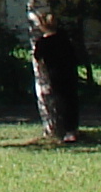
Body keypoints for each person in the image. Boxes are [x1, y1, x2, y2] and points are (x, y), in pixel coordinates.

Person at [31, 10, 83, 143]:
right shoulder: (64, 38)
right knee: (71, 101)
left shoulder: (43, 42)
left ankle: (67, 131)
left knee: (61, 103)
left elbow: (37, 57)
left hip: (55, 74)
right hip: (69, 72)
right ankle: (72, 129)